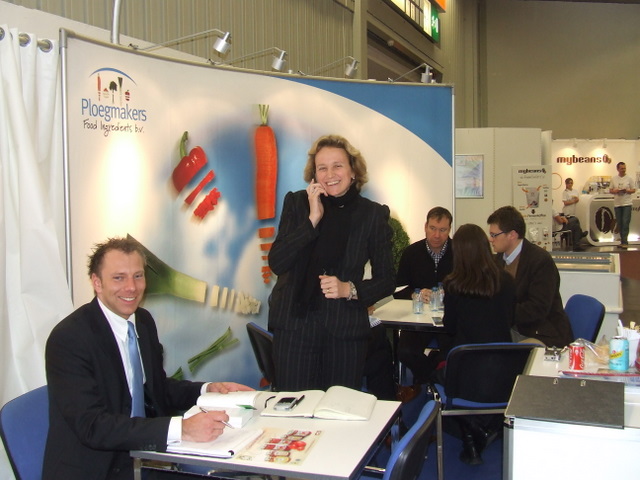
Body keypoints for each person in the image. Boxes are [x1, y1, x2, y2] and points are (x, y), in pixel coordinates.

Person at [44, 237, 253, 480]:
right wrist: (182, 429)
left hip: (142, 458)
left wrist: (208, 390)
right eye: (119, 278)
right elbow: (93, 426)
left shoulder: (142, 321)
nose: (131, 287)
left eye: (138, 276)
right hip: (95, 468)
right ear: (97, 283)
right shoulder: (69, 338)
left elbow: (156, 388)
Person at [268, 134, 395, 392]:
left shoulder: (372, 214)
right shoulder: (298, 204)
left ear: (353, 171)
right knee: (295, 409)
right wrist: (312, 220)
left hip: (344, 332)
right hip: (294, 329)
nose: (330, 174)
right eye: (322, 168)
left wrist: (350, 289)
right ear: (314, 174)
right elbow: (278, 262)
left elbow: (387, 279)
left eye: (338, 166)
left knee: (338, 410)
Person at [440, 224, 515, 465]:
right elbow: (510, 319)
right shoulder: (506, 280)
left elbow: (450, 327)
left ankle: (472, 434)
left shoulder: (454, 285)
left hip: (467, 370)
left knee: (433, 371)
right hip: (505, 369)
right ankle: (477, 433)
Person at [487, 206, 573, 347]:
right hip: (513, 328)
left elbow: (537, 309)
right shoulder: (499, 259)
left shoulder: (540, 261)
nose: (490, 239)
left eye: (494, 235)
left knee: (491, 350)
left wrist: (499, 312)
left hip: (539, 333)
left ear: (512, 235)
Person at [394, 207, 454, 399]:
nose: (437, 235)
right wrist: (416, 294)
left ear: (449, 230)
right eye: (433, 228)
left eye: (443, 230)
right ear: (425, 227)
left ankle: (426, 380)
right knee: (405, 351)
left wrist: (449, 294)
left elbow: (468, 287)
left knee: (453, 352)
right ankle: (431, 379)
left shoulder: (459, 253)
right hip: (417, 320)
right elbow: (398, 289)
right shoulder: (412, 253)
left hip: (448, 321)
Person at [609, 161, 636, 248]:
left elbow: (633, 190)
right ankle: (622, 241)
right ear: (618, 169)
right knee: (620, 223)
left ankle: (625, 242)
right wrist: (616, 191)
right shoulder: (614, 179)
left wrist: (627, 190)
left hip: (627, 203)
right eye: (622, 168)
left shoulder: (629, 178)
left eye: (624, 168)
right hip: (617, 204)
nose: (623, 170)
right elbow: (610, 190)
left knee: (625, 222)